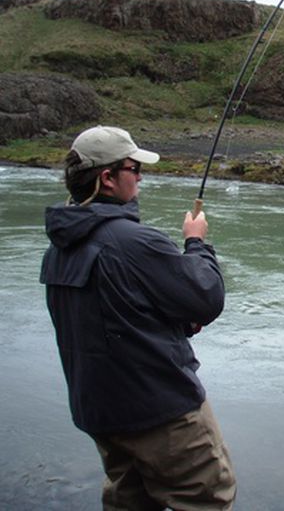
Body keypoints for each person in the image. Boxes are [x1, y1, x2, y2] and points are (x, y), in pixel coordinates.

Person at [39, 125, 237, 510]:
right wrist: (196, 242)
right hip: (161, 412)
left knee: (130, 503)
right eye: (134, 168)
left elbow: (109, 317)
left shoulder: (58, 248)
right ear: (107, 178)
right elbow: (206, 297)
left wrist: (175, 325)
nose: (141, 176)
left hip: (101, 414)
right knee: (207, 499)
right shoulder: (134, 242)